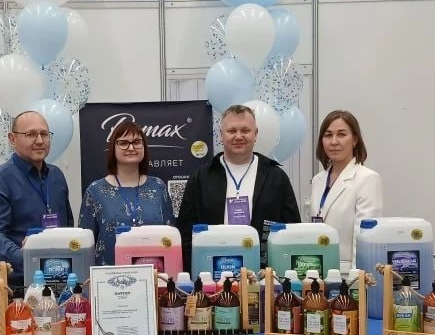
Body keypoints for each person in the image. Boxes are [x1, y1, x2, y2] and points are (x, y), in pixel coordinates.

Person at [177, 103, 301, 270]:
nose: (238, 136)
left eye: (245, 130)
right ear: (221, 135)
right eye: (232, 131)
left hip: (264, 273)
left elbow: (292, 230)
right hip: (211, 272)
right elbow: (185, 233)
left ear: (255, 134)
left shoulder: (276, 177)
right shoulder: (200, 178)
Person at [0, 110, 73, 277]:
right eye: (31, 134)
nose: (40, 141)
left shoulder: (56, 176)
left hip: (62, 275)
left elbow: (68, 226)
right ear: (12, 139)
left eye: (44, 134)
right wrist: (27, 258)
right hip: (21, 281)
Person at [79, 121, 174, 265]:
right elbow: (85, 244)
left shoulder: (158, 187)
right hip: (109, 275)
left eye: (136, 142)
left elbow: (171, 237)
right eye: (123, 143)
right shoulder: (95, 191)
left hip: (154, 273)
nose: (131, 147)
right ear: (113, 148)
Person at [309, 109, 382, 272]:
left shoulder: (367, 179)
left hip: (349, 273)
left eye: (341, 134)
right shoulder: (318, 180)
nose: (334, 141)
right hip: (317, 270)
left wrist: (356, 279)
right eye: (328, 135)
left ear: (355, 140)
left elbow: (364, 238)